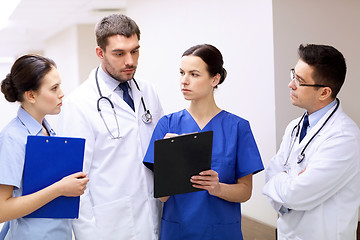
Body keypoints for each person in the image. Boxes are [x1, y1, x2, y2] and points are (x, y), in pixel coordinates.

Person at [57, 14, 163, 240]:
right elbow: (75, 182)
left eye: (135, 51)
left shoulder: (148, 92)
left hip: (154, 216)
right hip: (110, 226)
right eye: (119, 53)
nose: (130, 61)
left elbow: (159, 154)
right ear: (100, 53)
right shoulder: (79, 103)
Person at [143, 44, 264, 240]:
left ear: (214, 79)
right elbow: (161, 196)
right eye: (181, 73)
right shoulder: (167, 125)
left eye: (194, 74)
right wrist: (171, 162)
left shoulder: (238, 127)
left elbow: (245, 191)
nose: (184, 81)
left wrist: (217, 188)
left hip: (221, 231)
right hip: (178, 230)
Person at [263, 44, 360, 239]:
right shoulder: (294, 127)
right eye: (293, 75)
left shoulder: (344, 137)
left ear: (324, 92)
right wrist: (291, 182)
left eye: (299, 80)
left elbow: (295, 194)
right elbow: (270, 173)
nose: (290, 84)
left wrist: (284, 180)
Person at [0, 54, 89, 240]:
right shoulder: (12, 138)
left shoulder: (48, 132)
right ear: (31, 95)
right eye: (54, 88)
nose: (62, 93)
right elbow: (2, 209)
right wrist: (60, 188)